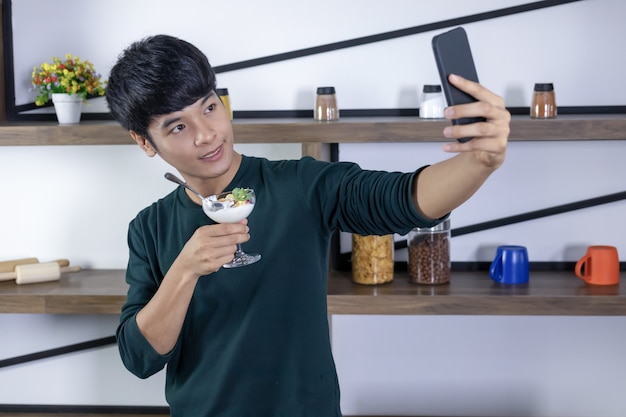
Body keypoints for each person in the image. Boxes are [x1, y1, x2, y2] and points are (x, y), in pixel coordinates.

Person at [107, 34, 509, 417]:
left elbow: (401, 200)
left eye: (210, 107)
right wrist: (185, 269)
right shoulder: (149, 227)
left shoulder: (300, 185)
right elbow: (139, 357)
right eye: (178, 126)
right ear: (145, 142)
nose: (207, 134)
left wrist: (479, 162)